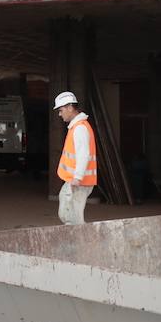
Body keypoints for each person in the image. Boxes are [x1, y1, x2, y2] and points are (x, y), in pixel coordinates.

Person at [54, 91, 97, 224]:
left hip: (78, 182)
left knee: (73, 219)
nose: (59, 114)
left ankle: (80, 241)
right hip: (74, 181)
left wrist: (77, 178)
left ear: (70, 108)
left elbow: (83, 154)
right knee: (67, 214)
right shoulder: (76, 127)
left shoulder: (80, 129)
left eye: (61, 110)